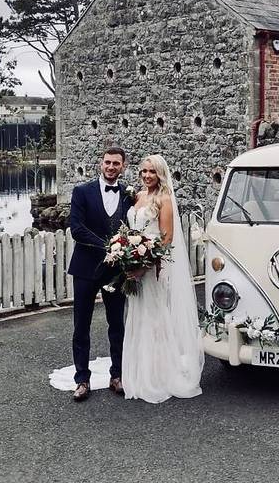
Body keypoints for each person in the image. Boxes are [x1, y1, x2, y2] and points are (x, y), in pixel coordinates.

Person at [53, 147, 135, 402]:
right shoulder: (82, 192)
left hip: (115, 272)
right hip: (86, 269)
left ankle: (117, 375)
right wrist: (108, 246)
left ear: (123, 166)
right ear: (101, 164)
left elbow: (134, 228)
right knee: (81, 325)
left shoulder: (129, 195)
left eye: (116, 164)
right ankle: (82, 380)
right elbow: (76, 229)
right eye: (108, 162)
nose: (111, 167)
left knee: (117, 325)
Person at [122, 154, 204, 403]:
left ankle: (157, 375)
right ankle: (138, 371)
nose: (147, 176)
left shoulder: (164, 199)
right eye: (144, 171)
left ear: (160, 174)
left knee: (155, 318)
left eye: (152, 172)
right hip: (135, 265)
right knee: (138, 315)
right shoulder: (137, 196)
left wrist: (143, 266)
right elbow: (131, 232)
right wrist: (126, 254)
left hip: (154, 268)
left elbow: (166, 241)